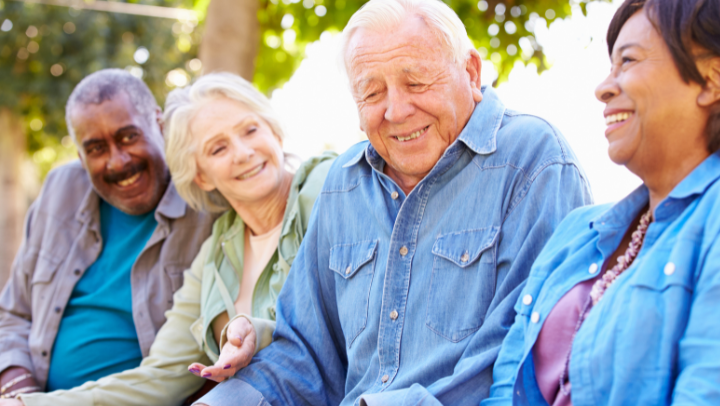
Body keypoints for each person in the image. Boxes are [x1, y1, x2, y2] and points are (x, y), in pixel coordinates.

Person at [195, 0, 593, 405]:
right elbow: (305, 355)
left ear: (471, 72)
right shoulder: (344, 184)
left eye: (417, 83)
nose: (396, 111)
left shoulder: (533, 160)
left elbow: (523, 351)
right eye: (371, 92)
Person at [7, 72, 337, 406]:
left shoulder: (329, 187)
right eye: (218, 148)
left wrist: (257, 333)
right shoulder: (218, 251)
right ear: (201, 175)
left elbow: (339, 330)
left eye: (250, 129)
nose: (242, 152)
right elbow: (162, 375)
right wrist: (22, 401)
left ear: (274, 130)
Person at [483, 0, 720, 404]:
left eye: (628, 61)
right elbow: (505, 388)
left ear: (711, 79)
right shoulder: (576, 233)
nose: (603, 87)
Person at [0, 69, 214, 401]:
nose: (118, 161)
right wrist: (18, 391)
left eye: (129, 137)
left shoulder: (208, 202)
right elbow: (12, 314)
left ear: (159, 124)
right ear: (80, 155)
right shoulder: (60, 191)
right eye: (97, 148)